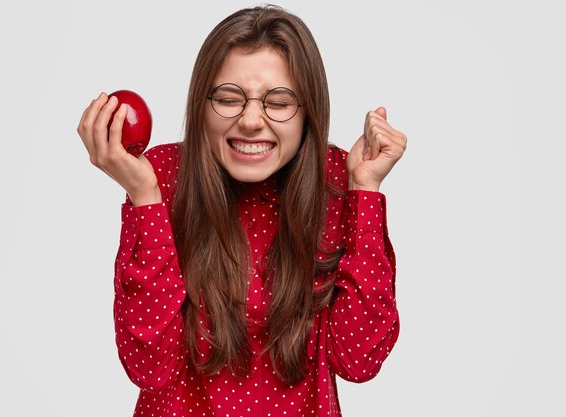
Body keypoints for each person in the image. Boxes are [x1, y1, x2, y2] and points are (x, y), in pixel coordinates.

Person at [77, 4, 406, 416]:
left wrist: (366, 190)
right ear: (201, 103)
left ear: (308, 113)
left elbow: (359, 361)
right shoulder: (160, 176)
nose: (251, 120)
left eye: (280, 101)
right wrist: (144, 198)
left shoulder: (337, 182)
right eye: (229, 98)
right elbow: (149, 367)